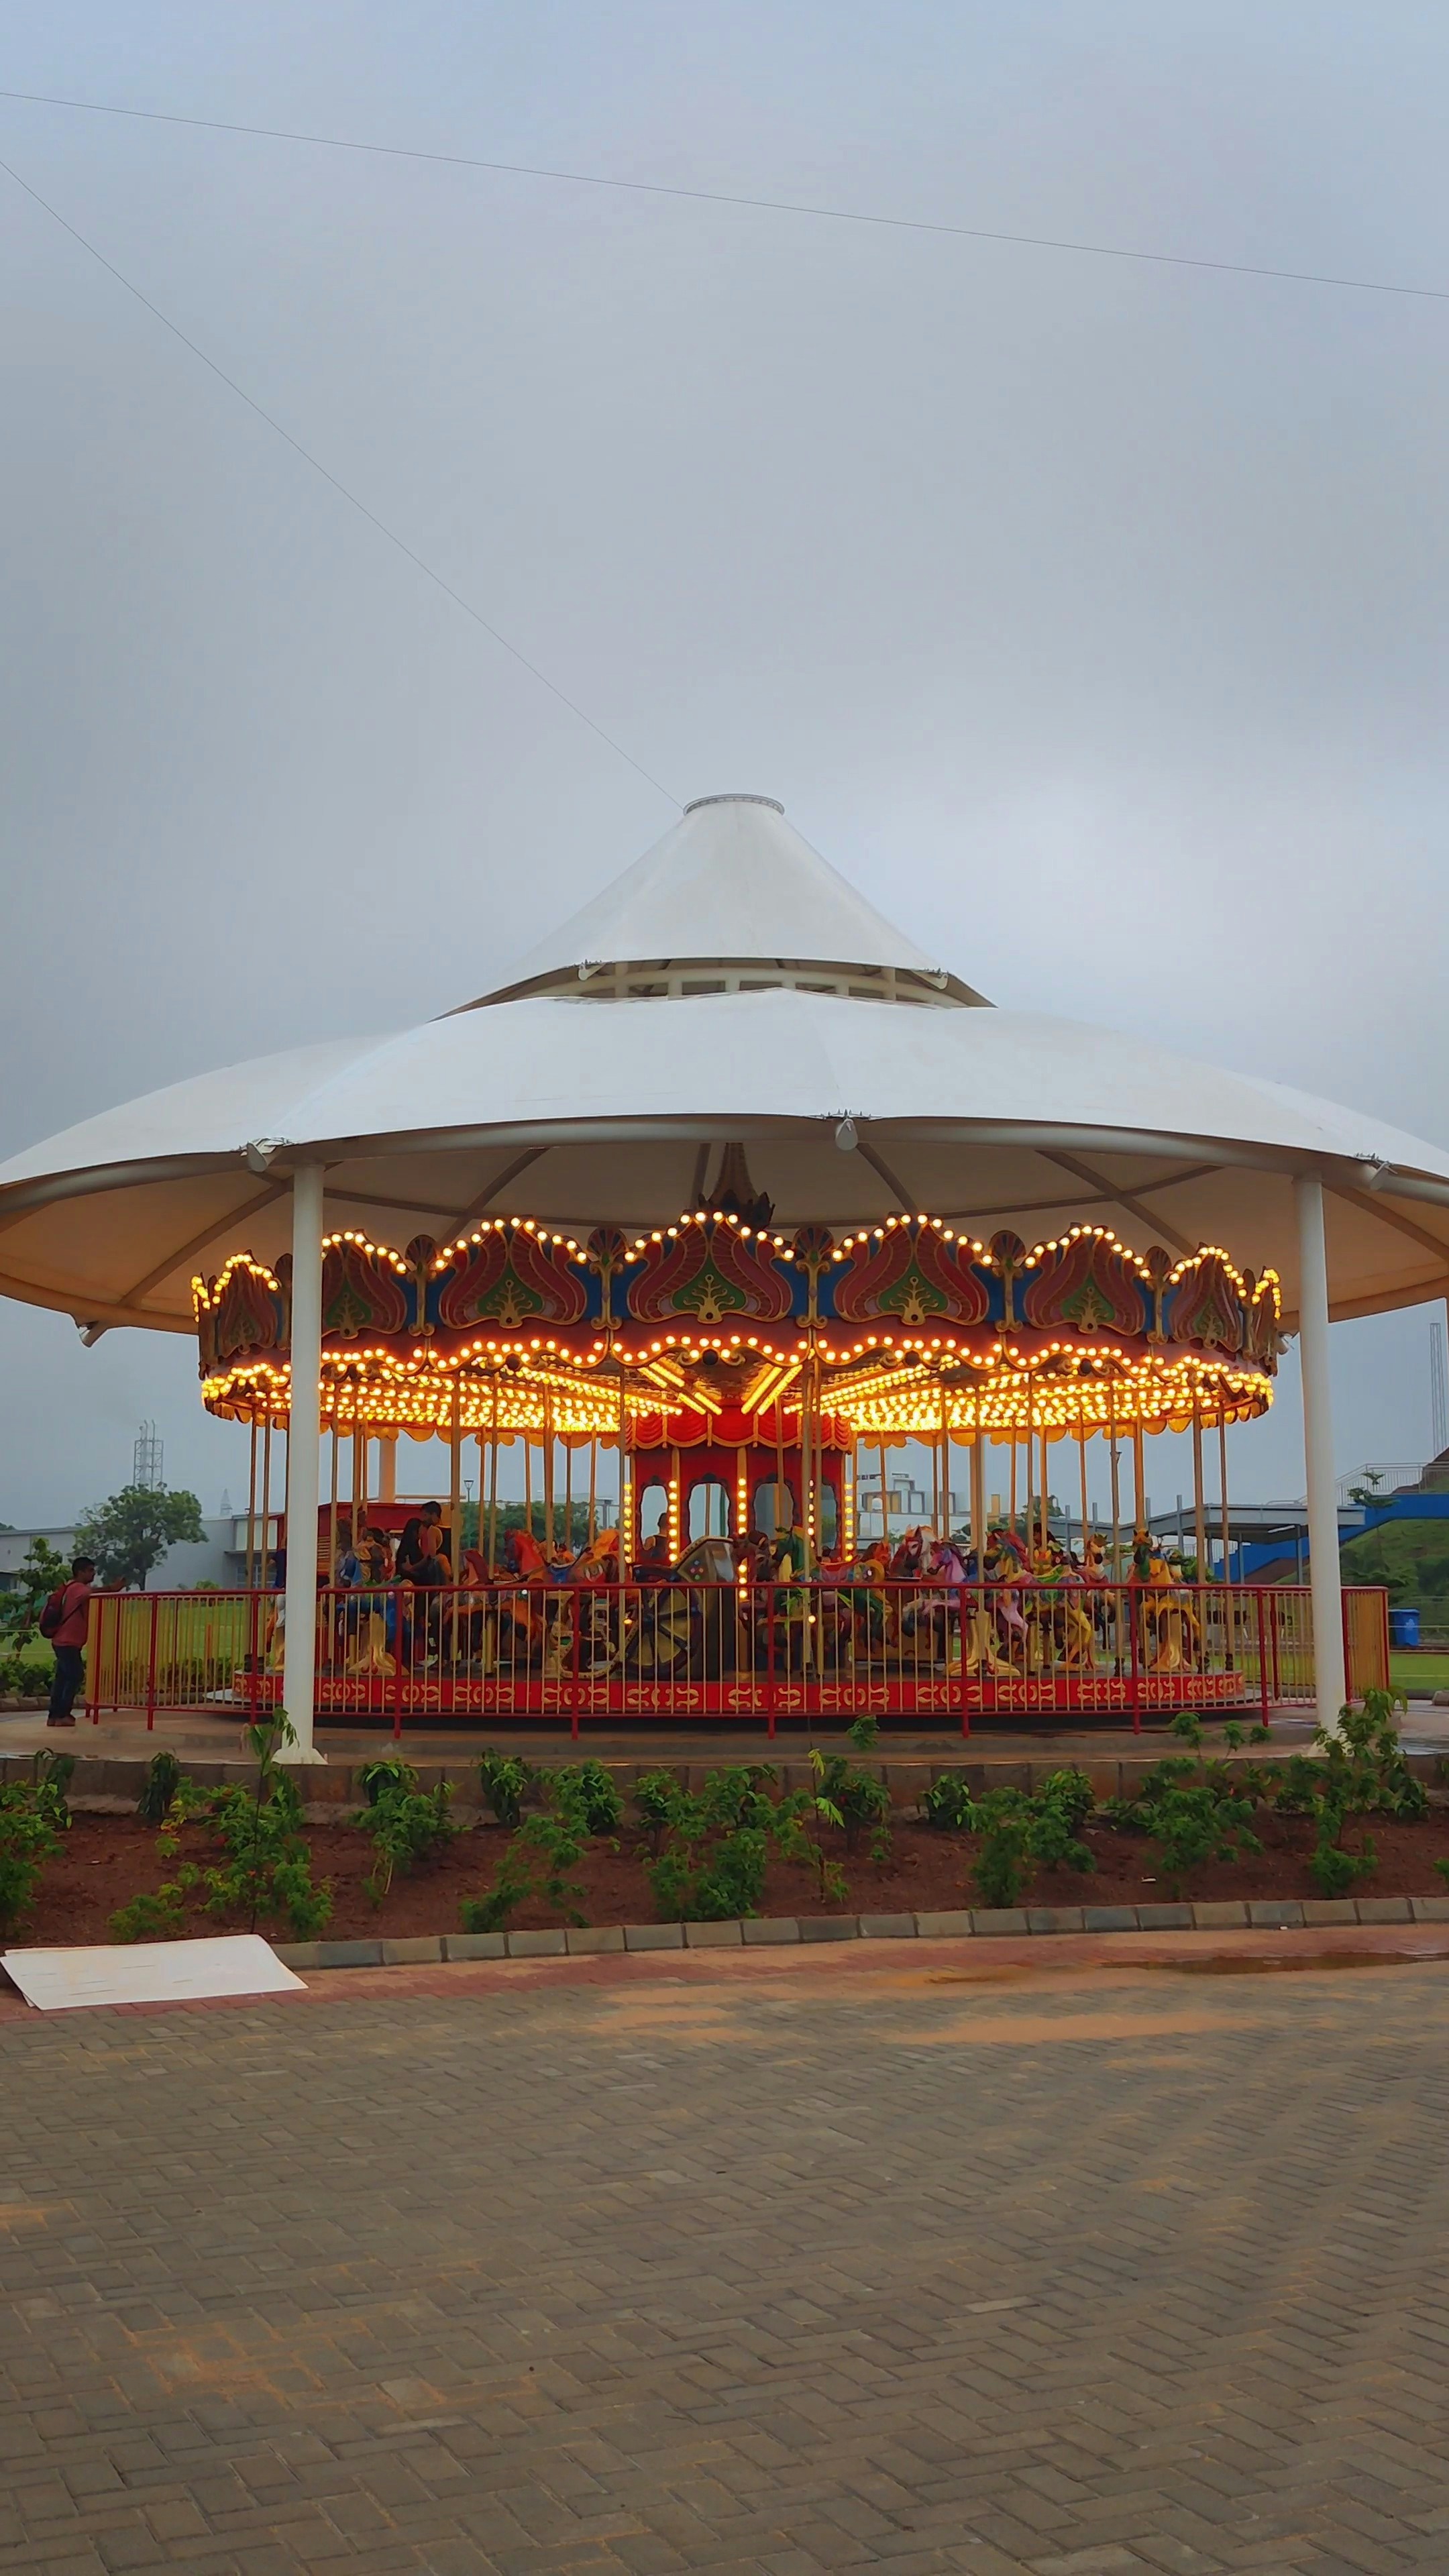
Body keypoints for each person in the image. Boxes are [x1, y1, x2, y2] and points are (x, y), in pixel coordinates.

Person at [45, 1556, 97, 1728]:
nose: (93, 1573)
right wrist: (114, 1588)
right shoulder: (78, 1589)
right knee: (75, 1676)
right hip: (68, 1642)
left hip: (63, 1641)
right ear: (80, 1572)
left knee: (62, 1678)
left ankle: (54, 1716)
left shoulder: (69, 1587)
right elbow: (95, 1593)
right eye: (90, 1570)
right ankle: (62, 1715)